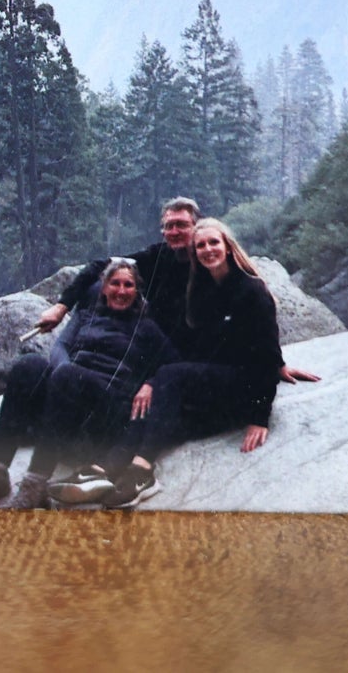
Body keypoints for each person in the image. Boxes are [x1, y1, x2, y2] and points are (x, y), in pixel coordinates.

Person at [54, 218, 319, 510]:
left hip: (244, 391)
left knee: (170, 378)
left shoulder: (251, 289)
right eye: (200, 245)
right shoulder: (201, 290)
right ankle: (102, 471)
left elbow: (266, 349)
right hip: (214, 387)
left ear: (228, 247)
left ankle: (142, 472)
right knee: (153, 406)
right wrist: (151, 384)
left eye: (213, 242)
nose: (207, 249)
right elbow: (184, 343)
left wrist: (260, 416)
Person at [0, 261, 177, 511]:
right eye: (114, 283)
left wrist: (150, 383)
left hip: (106, 415)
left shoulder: (147, 328)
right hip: (67, 398)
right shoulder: (86, 316)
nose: (121, 290)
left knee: (68, 376)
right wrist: (62, 373)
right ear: (103, 288)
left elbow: (172, 365)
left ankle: (36, 482)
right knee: (28, 365)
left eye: (128, 285)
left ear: (137, 291)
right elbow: (60, 348)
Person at [37, 197, 200, 356]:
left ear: (196, 226)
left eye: (181, 225)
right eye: (168, 226)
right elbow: (101, 265)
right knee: (98, 286)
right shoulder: (157, 256)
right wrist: (61, 307)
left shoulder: (208, 261)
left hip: (192, 347)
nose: (174, 232)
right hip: (154, 342)